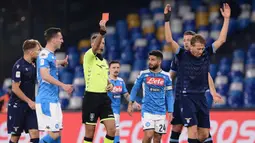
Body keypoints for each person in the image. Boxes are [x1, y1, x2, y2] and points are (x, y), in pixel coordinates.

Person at [164, 3, 230, 143]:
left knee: (204, 134)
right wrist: (167, 19)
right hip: (186, 97)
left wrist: (226, 19)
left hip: (201, 97)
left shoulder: (206, 54)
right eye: (198, 49)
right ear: (191, 47)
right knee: (191, 130)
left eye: (202, 48)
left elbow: (222, 40)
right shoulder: (182, 55)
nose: (201, 51)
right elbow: (169, 40)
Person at [169, 31, 223, 143]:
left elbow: (207, 75)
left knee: (202, 132)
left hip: (197, 96)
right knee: (177, 128)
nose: (186, 43)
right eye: (184, 40)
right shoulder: (179, 57)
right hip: (181, 97)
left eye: (189, 40)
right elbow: (170, 77)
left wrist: (213, 92)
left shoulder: (202, 55)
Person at [36, 27, 73, 143]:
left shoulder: (50, 55)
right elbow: (45, 75)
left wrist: (61, 62)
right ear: (53, 40)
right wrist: (63, 85)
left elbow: (52, 63)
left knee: (58, 133)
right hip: (47, 99)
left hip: (53, 99)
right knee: (55, 134)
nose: (62, 41)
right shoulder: (44, 55)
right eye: (60, 38)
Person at [128, 50, 174, 143]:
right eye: (149, 59)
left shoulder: (166, 76)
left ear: (159, 61)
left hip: (161, 112)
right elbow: (135, 88)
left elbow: (169, 95)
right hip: (147, 110)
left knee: (157, 138)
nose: (150, 62)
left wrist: (170, 111)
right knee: (149, 134)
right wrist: (130, 103)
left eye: (153, 60)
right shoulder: (143, 74)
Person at [82, 20, 116, 143]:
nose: (101, 45)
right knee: (90, 134)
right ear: (93, 43)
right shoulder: (88, 56)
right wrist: (101, 32)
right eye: (100, 42)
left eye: (103, 43)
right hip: (91, 97)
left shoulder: (104, 62)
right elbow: (95, 47)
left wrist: (109, 85)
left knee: (112, 130)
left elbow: (104, 78)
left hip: (104, 98)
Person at [7, 39, 41, 143]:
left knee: (35, 133)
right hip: (18, 106)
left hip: (30, 106)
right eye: (38, 50)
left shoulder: (34, 64)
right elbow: (15, 88)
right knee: (15, 136)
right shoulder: (18, 66)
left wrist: (61, 62)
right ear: (31, 52)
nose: (40, 53)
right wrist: (29, 101)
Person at [108, 60, 141, 143]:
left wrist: (134, 103)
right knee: (116, 130)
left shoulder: (121, 81)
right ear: (109, 69)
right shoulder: (105, 81)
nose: (116, 69)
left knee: (113, 132)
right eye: (113, 68)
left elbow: (126, 95)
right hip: (107, 110)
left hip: (116, 110)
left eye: (118, 68)